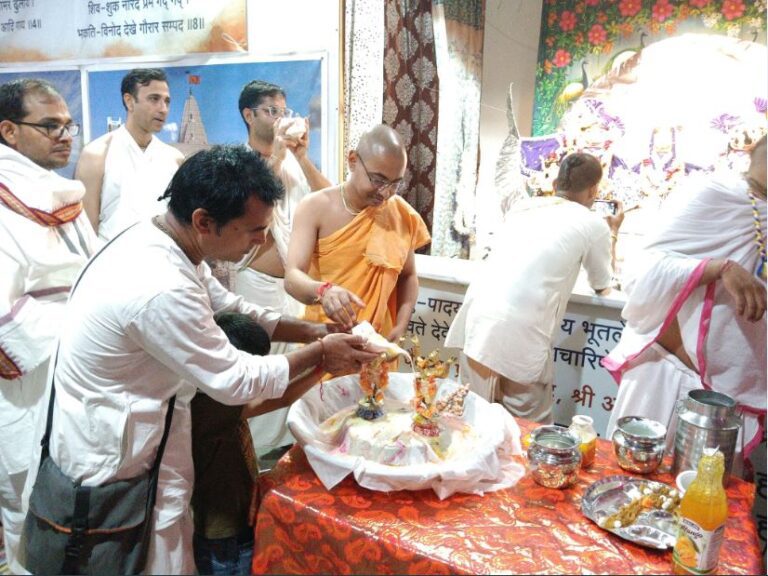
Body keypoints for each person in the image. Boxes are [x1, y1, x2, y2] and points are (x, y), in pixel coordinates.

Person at [20, 145, 378, 574]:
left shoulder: (170, 243)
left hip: (149, 428)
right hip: (110, 456)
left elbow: (229, 307)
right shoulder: (159, 284)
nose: (262, 241)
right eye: (253, 230)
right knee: (122, 557)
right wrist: (322, 355)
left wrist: (312, 330)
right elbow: (236, 380)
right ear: (204, 221)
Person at [603, 135, 766, 464]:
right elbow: (640, 273)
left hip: (727, 400)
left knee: (707, 507)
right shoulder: (716, 193)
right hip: (664, 378)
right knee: (629, 499)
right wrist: (718, 269)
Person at [445, 152, 624, 424]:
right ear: (594, 191)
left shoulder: (523, 208)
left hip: (478, 327)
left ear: (555, 183)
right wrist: (613, 232)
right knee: (529, 434)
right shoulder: (593, 225)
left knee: (471, 424)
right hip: (523, 339)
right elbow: (602, 285)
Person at [0, 78, 97, 573]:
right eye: (50, 126)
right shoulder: (4, 196)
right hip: (33, 376)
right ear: (9, 132)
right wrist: (70, 332)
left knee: (70, 488)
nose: (65, 136)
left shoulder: (59, 191)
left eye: (68, 125)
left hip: (79, 366)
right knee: (26, 489)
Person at [234, 80, 333, 452]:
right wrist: (276, 154)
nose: (279, 118)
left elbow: (327, 197)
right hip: (258, 282)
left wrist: (303, 157)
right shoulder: (240, 160)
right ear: (249, 115)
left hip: (299, 282)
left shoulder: (293, 158)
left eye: (283, 111)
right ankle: (256, 452)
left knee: (299, 365)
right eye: (271, 111)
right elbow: (255, 204)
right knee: (265, 365)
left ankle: (293, 447)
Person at [191, 312, 322, 575]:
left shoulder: (216, 398)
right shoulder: (206, 405)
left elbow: (277, 399)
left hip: (241, 516)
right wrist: (322, 362)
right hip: (223, 533)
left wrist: (324, 368)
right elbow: (275, 398)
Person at [285, 124, 431, 343]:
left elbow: (408, 275)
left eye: (395, 184)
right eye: (378, 180)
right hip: (326, 341)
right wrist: (324, 291)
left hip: (376, 345)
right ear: (353, 160)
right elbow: (292, 277)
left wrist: (401, 324)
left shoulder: (401, 213)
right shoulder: (315, 207)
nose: (386, 192)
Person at [75, 68, 184, 241]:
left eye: (167, 101)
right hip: (112, 261)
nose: (163, 109)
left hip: (165, 260)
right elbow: (87, 231)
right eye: (154, 99)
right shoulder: (97, 154)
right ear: (129, 101)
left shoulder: (175, 159)